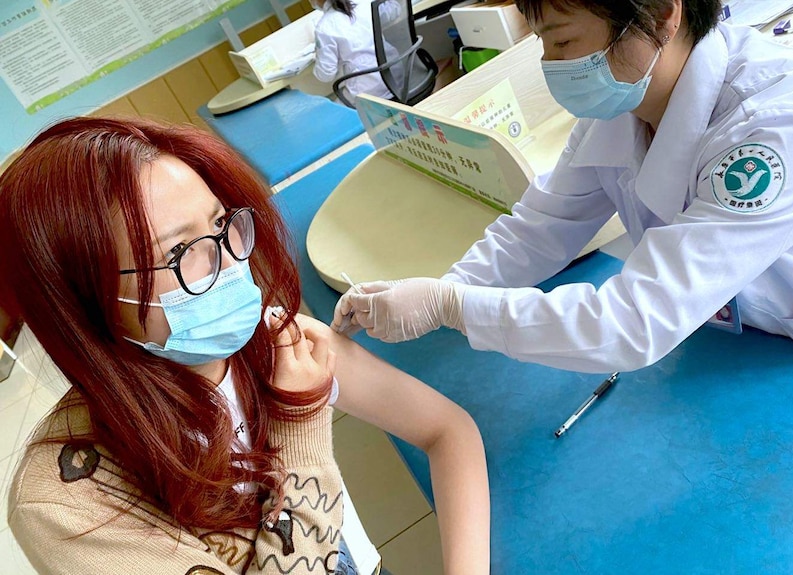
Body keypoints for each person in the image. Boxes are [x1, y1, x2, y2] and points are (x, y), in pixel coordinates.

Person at [0, 117, 490, 574]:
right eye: (177, 252)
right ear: (85, 304)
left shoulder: (274, 346)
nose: (231, 266)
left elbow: (448, 431)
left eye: (219, 224)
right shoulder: (64, 501)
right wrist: (300, 421)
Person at [332, 0, 793, 371]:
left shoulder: (781, 129)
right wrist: (446, 289)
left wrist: (452, 307)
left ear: (658, 17)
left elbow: (635, 321)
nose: (551, 65)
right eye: (541, 42)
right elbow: (541, 227)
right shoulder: (623, 99)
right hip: (740, 336)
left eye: (562, 40)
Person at [312, 0, 397, 105]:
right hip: (398, 78)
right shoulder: (366, 3)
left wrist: (318, 54)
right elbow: (394, 12)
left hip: (370, 93)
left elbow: (326, 75)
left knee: (331, 113)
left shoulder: (324, 27)